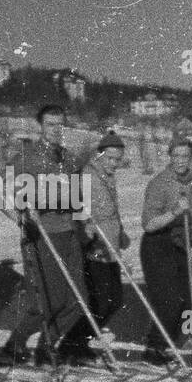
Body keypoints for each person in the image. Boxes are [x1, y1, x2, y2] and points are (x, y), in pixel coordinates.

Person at [0, 104, 89, 364]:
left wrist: (84, 222)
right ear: (40, 126)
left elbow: (78, 196)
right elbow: (0, 194)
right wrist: (20, 218)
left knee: (78, 299)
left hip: (69, 233)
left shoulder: (70, 158)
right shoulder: (26, 158)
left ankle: (47, 343)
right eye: (50, 124)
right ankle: (17, 343)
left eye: (60, 125)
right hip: (42, 235)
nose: (56, 130)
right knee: (49, 298)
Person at [139, 135, 192, 361]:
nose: (180, 160)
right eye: (175, 155)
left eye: (185, 155)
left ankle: (185, 341)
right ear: (169, 156)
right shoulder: (159, 183)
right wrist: (175, 212)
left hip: (180, 243)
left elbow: (188, 216)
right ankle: (154, 349)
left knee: (188, 300)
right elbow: (148, 224)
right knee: (169, 302)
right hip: (157, 244)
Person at [58, 130, 130, 360]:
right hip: (95, 247)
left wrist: (121, 232)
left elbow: (110, 210)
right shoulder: (87, 176)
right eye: (110, 158)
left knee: (115, 300)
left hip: (111, 246)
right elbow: (77, 211)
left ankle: (79, 342)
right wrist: (88, 233)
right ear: (99, 155)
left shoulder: (107, 176)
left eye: (118, 159)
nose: (114, 164)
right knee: (102, 301)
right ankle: (71, 344)